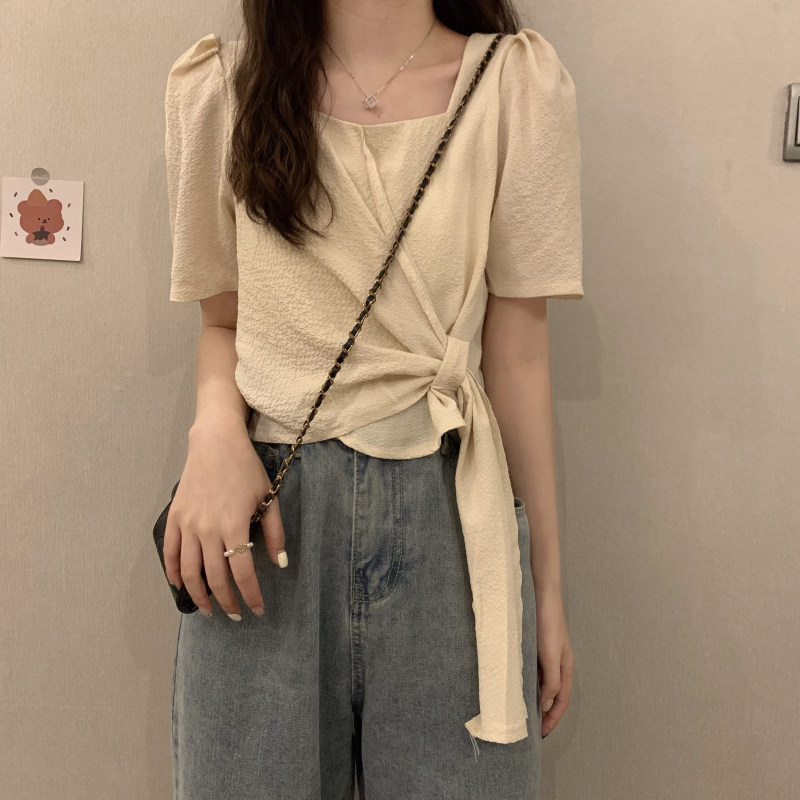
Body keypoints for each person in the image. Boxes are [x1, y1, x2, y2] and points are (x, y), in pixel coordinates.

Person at [162, 1, 582, 797]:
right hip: (265, 516)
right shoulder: (224, 88)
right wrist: (214, 429)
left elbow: (519, 358)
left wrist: (546, 589)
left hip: (453, 520)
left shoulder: (513, 86)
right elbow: (222, 322)